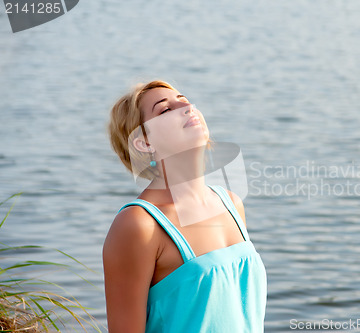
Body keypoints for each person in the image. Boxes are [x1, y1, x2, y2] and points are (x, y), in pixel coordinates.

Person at [103, 80, 267, 332]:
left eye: (184, 99)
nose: (187, 106)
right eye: (165, 110)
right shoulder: (139, 224)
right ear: (145, 142)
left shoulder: (231, 204)